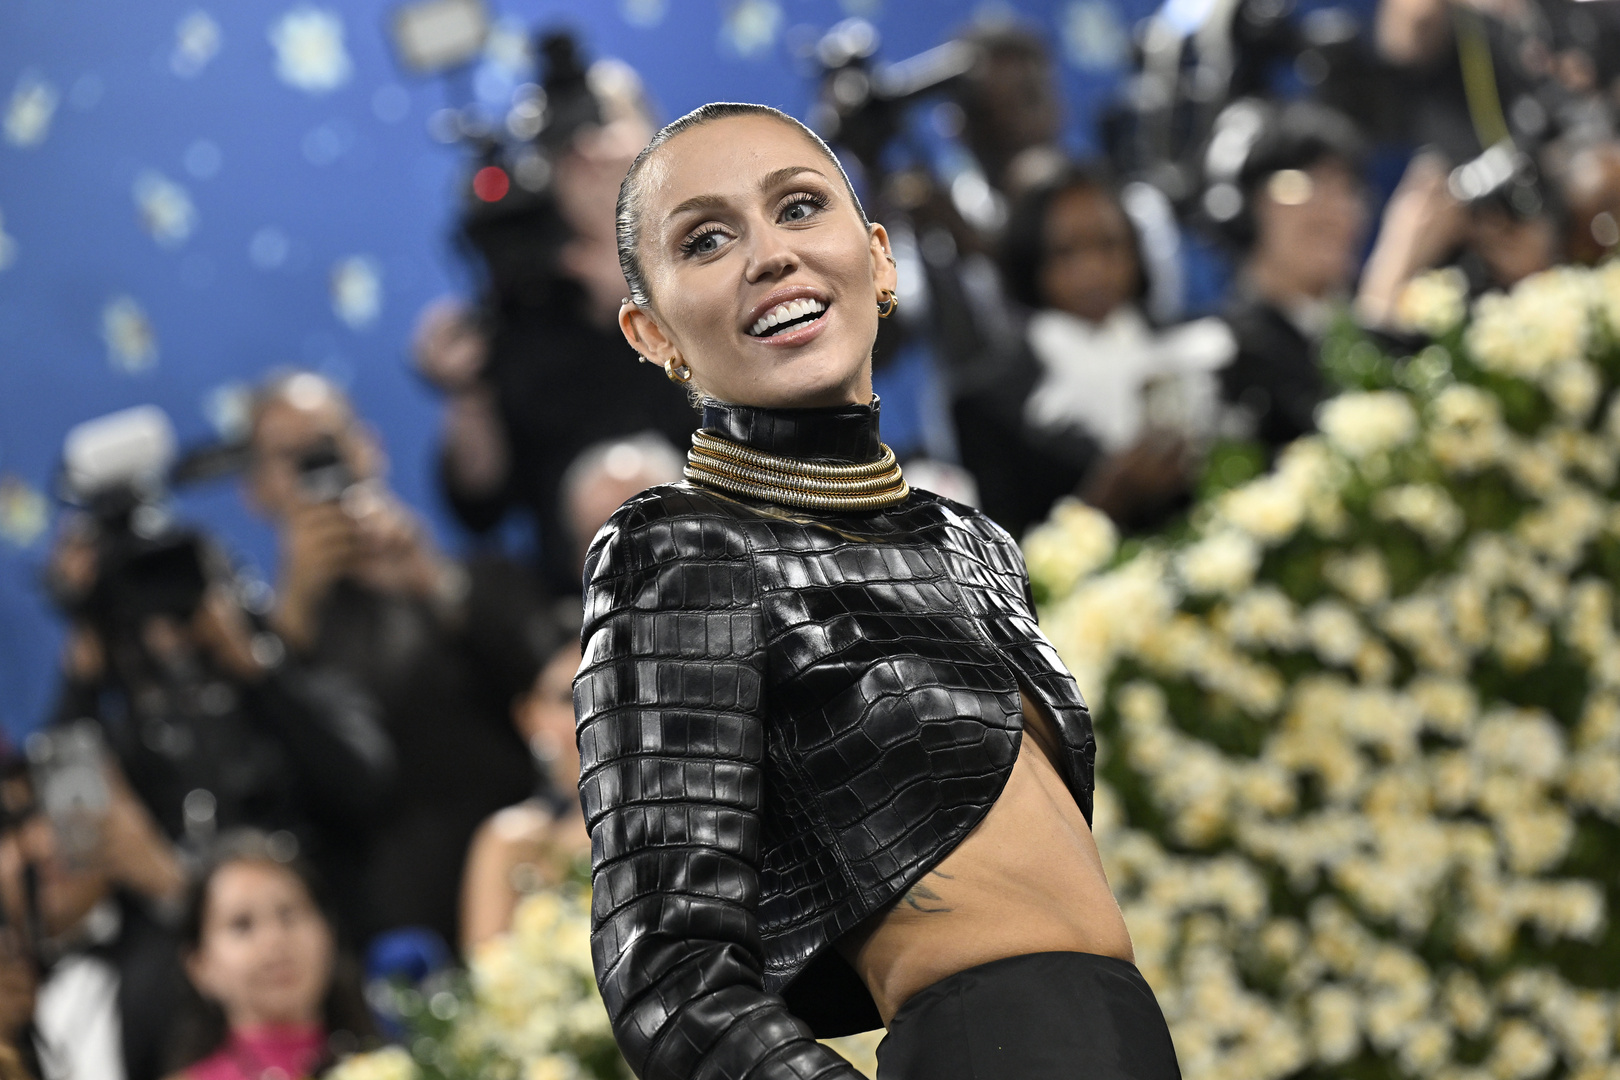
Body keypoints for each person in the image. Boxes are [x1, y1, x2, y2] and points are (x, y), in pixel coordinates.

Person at [574, 102, 1179, 1080]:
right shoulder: (678, 546)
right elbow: (671, 977)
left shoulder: (970, 542)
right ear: (651, 332)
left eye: (799, 207)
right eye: (708, 239)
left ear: (882, 260)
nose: (771, 254)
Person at [243, 372, 543, 951]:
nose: (314, 466)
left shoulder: (471, 583)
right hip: (389, 927)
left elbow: (553, 700)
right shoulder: (260, 648)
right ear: (256, 490)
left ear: (368, 447)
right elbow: (284, 785)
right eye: (289, 456)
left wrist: (434, 586)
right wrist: (295, 611)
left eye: (326, 442)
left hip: (523, 888)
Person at [44, 514, 396, 950]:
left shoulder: (298, 689)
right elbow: (71, 834)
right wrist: (82, 673)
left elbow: (363, 787)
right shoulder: (121, 736)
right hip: (175, 965)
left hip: (328, 936)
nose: (167, 629)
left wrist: (257, 671)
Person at [416, 62, 698, 593]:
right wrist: (465, 390)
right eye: (565, 141)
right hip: (586, 602)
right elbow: (479, 504)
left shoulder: (724, 260)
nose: (589, 152)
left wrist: (644, 280)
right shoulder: (520, 299)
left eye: (602, 123)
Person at [955, 165, 1233, 537]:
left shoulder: (1193, 348)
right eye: (1066, 253)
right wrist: (1108, 500)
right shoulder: (990, 400)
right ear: (1030, 263)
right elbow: (1005, 552)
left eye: (1108, 245)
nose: (1093, 270)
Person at [0, 755, 193, 1080]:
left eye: (62, 815)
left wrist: (169, 882)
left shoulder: (181, 953)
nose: (43, 846)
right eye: (10, 827)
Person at [1218, 102, 1370, 453]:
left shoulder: (1390, 326)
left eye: (1347, 189)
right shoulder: (1226, 352)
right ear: (1245, 208)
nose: (1336, 210)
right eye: (1304, 186)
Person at [164, 831, 377, 1080]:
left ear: (329, 935)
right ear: (200, 966)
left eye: (288, 914)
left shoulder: (396, 1067)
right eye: (242, 924)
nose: (274, 940)